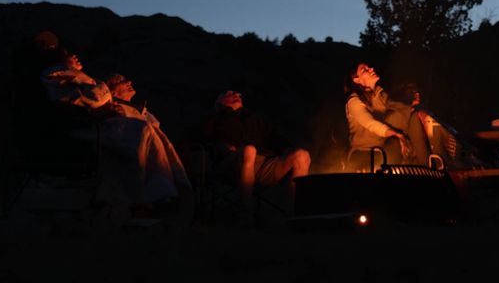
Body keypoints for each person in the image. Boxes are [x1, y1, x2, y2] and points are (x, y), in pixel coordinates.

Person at [39, 46, 193, 231]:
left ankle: (163, 193)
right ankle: (153, 198)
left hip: (102, 127)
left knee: (146, 132)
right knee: (141, 132)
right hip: (90, 131)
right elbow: (94, 98)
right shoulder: (58, 75)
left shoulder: (74, 78)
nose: (74, 55)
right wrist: (107, 106)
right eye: (68, 55)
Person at [194, 89, 311, 219]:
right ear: (219, 102)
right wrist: (219, 146)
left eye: (238, 94)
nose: (236, 95)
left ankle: (295, 214)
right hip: (230, 164)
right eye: (230, 94)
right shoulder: (214, 120)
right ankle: (246, 213)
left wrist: (286, 149)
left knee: (302, 155)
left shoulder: (254, 119)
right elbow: (199, 138)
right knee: (249, 150)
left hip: (262, 165)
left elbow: (274, 138)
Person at [344, 62, 432, 170]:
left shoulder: (380, 95)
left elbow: (398, 108)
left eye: (369, 67)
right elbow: (370, 123)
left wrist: (413, 105)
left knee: (414, 116)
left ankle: (427, 167)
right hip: (363, 153)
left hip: (383, 146)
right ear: (356, 79)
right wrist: (396, 134)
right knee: (396, 139)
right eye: (365, 70)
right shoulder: (354, 101)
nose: (371, 68)